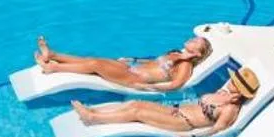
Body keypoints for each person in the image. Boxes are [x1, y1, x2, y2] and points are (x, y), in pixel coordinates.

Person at [70, 67, 261, 137]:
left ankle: (93, 118)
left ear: (240, 91)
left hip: (183, 123)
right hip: (175, 110)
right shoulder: (223, 92)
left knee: (138, 114)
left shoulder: (230, 110)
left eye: (235, 82)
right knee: (136, 103)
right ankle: (95, 112)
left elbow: (217, 130)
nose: (231, 82)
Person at [35, 34, 213, 92]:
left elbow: (176, 84)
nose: (192, 39)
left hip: (134, 78)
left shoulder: (185, 65)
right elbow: (153, 63)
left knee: (95, 65)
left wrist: (149, 88)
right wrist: (134, 60)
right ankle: (53, 54)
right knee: (92, 60)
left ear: (197, 52)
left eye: (197, 41)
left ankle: (53, 67)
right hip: (131, 68)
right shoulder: (175, 53)